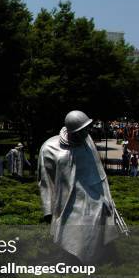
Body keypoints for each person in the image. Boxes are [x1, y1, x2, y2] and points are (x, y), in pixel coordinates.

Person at [38, 110, 122, 263]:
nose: (86, 133)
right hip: (69, 200)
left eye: (86, 128)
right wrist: (48, 209)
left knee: (98, 230)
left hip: (94, 197)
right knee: (71, 231)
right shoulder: (50, 149)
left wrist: (107, 196)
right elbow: (45, 181)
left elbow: (98, 169)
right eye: (81, 130)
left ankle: (102, 258)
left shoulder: (87, 140)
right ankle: (69, 259)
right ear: (72, 131)